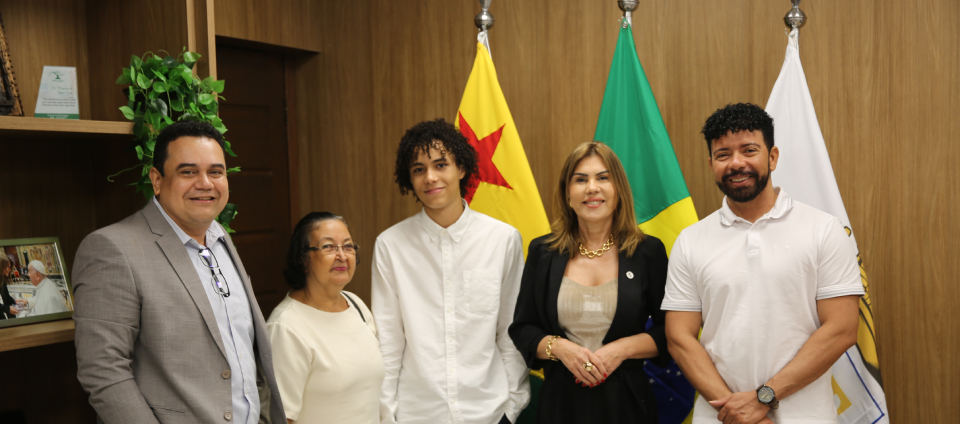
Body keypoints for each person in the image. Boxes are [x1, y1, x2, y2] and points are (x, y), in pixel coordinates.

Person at [72, 121, 286, 424]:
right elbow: (103, 372)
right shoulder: (112, 248)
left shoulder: (220, 237)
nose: (205, 183)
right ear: (157, 180)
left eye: (215, 172)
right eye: (188, 172)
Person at [662, 103, 863, 424]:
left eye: (749, 150)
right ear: (711, 163)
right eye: (723, 154)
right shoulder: (691, 240)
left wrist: (763, 398)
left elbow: (841, 330)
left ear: (772, 157)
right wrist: (737, 412)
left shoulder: (824, 229)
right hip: (721, 416)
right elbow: (679, 338)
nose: (736, 163)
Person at [372, 118, 529, 424]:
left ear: (461, 168)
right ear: (409, 179)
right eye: (419, 169)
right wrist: (387, 415)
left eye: (441, 165)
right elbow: (388, 341)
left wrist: (511, 407)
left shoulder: (502, 239)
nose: (430, 177)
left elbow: (510, 331)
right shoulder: (390, 245)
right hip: (417, 414)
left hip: (489, 411)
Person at [508, 142, 669, 423]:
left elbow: (671, 332)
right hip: (560, 405)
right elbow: (523, 328)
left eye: (603, 178)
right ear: (567, 192)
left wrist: (620, 350)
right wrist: (560, 348)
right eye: (581, 180)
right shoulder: (543, 252)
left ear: (619, 189)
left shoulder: (648, 252)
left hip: (627, 404)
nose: (592, 188)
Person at [268, 212, 383, 424]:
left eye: (348, 246)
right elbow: (284, 418)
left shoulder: (355, 304)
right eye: (328, 247)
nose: (342, 256)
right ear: (303, 258)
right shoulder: (285, 327)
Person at [1, 255, 17, 319]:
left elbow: (6, 297)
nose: (10, 270)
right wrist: (7, 309)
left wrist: (15, 303)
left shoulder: (2, 280)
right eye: (8, 267)